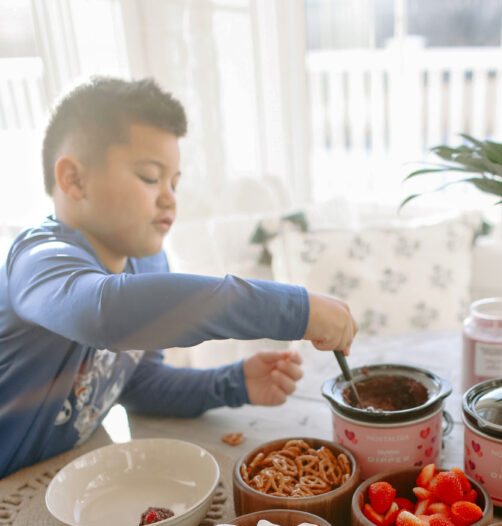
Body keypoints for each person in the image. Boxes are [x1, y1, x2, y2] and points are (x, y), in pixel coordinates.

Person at [0, 76, 357, 479]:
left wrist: (234, 382)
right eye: (151, 177)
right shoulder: (38, 260)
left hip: (64, 477)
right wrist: (295, 309)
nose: (170, 197)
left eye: (174, 182)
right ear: (74, 179)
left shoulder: (149, 264)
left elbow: (139, 385)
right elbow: (105, 313)